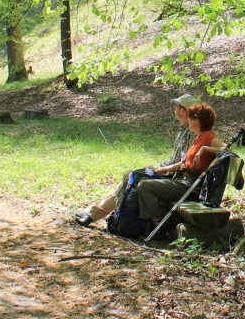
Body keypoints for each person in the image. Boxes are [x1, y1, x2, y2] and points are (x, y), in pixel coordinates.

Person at [73, 93, 199, 227]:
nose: (174, 110)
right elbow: (175, 159)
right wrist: (157, 167)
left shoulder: (191, 133)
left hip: (176, 179)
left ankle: (95, 214)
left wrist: (159, 170)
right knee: (129, 175)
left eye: (176, 107)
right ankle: (102, 213)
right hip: (170, 174)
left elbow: (184, 163)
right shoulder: (183, 131)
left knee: (133, 177)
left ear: (183, 111)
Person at [136, 103, 225, 225]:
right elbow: (185, 163)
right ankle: (152, 222)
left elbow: (228, 151)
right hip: (182, 179)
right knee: (142, 177)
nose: (188, 120)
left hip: (191, 186)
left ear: (197, 120)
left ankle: (155, 225)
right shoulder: (199, 137)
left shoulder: (209, 137)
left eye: (190, 117)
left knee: (145, 186)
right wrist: (160, 170)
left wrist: (205, 149)